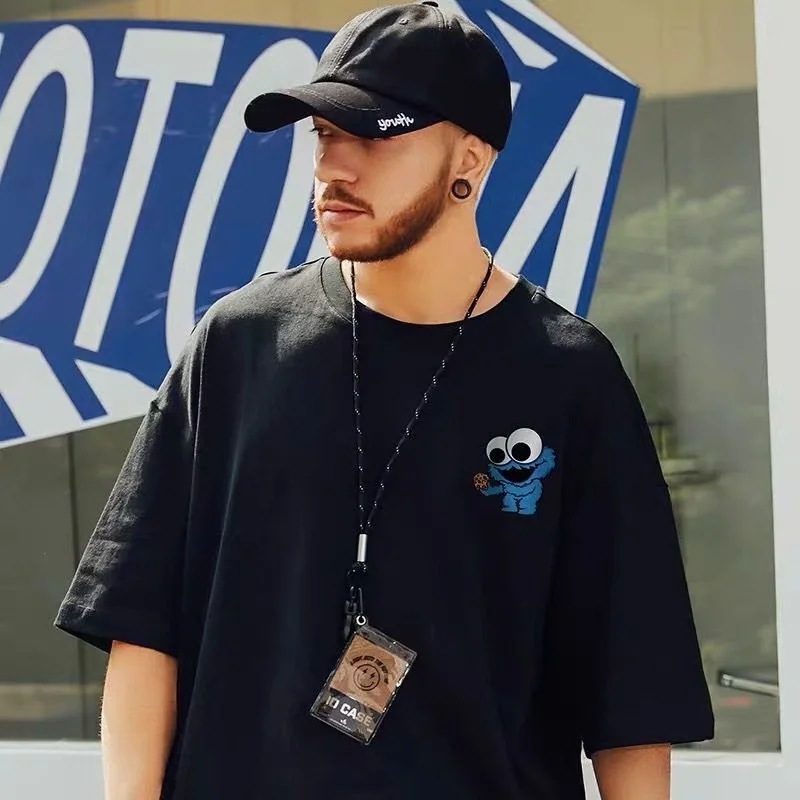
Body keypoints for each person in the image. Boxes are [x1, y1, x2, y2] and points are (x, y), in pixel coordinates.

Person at [55, 2, 714, 798]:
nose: (334, 167)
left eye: (371, 137)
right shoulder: (241, 344)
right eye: (323, 135)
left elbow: (630, 691)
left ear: (470, 158)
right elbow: (141, 627)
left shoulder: (568, 377)